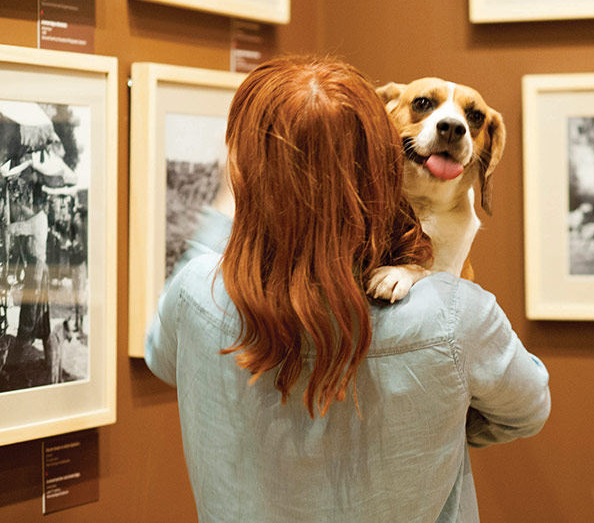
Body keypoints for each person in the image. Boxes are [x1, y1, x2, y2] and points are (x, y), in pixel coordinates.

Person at [145, 55, 550, 523]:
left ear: (246, 173)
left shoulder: (198, 289)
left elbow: (161, 357)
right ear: (378, 163)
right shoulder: (456, 316)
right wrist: (442, 423)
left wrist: (223, 214)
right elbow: (528, 409)